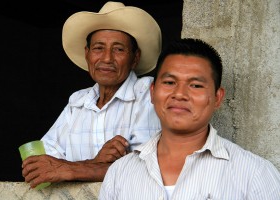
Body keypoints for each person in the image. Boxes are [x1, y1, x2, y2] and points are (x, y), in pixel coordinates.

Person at [99, 38, 280, 199]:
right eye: (170, 82)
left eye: (195, 85)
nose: (179, 94)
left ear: (217, 98)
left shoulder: (254, 174)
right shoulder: (120, 172)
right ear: (153, 92)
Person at [21, 1, 162, 189]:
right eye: (98, 48)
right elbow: (39, 167)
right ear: (87, 54)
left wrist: (71, 169)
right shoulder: (78, 101)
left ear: (135, 58)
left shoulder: (148, 93)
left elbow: (147, 168)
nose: (106, 58)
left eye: (119, 49)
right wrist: (94, 163)